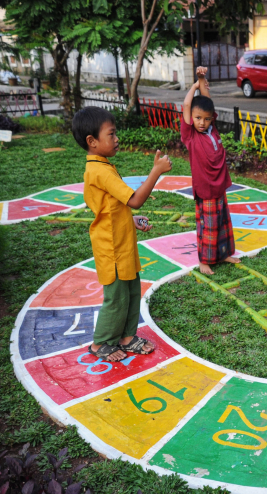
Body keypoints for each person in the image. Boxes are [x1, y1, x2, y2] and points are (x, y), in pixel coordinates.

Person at [72, 106, 172, 362]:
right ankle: (101, 343)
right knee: (116, 298)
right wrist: (156, 171)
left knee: (131, 291)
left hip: (122, 241)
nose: (117, 139)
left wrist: (130, 220)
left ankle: (127, 337)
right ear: (92, 142)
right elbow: (136, 199)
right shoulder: (100, 171)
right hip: (112, 247)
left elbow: (114, 207)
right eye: (111, 134)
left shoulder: (102, 165)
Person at [181, 66, 241, 275]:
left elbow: (208, 102)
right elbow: (188, 104)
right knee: (208, 226)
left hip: (219, 187)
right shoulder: (190, 135)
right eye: (197, 118)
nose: (202, 122)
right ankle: (204, 261)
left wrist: (202, 79)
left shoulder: (211, 130)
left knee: (223, 223)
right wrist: (196, 84)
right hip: (205, 190)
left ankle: (223, 253)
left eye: (206, 119)